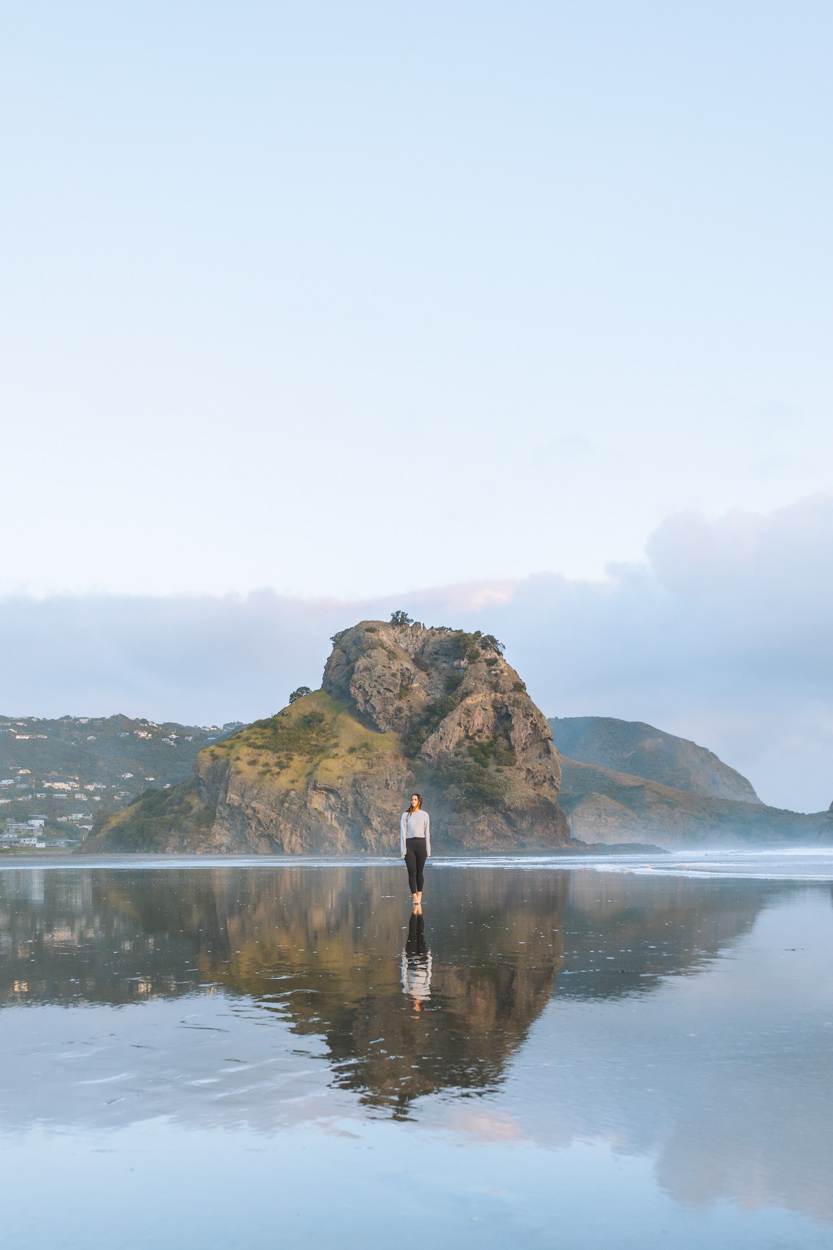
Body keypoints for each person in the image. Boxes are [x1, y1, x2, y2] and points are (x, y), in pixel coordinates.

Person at [400, 792, 431, 907]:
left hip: (421, 844)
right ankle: (414, 896)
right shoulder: (405, 815)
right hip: (409, 844)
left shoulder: (425, 815)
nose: (413, 801)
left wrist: (428, 849)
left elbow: (427, 833)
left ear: (419, 801)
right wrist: (403, 850)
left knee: (419, 872)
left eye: (415, 799)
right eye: (411, 799)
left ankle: (420, 894)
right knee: (411, 872)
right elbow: (402, 833)